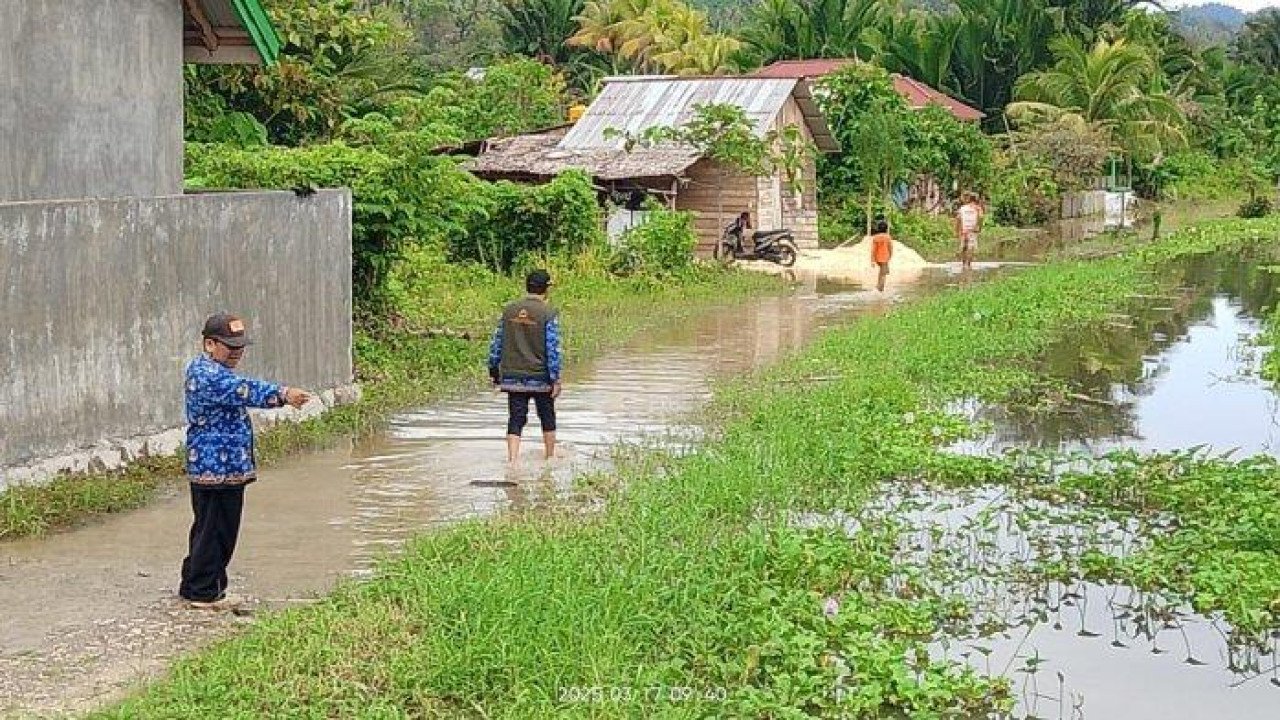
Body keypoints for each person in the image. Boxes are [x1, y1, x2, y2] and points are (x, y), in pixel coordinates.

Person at [180, 313, 310, 610]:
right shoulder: (208, 375)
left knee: (208, 529)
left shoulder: (207, 369)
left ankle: (196, 585)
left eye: (240, 346)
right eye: (230, 346)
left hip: (220, 467)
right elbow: (245, 390)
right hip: (216, 468)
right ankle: (203, 593)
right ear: (209, 344)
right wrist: (284, 394)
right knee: (217, 530)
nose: (237, 352)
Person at [488, 269, 563, 463]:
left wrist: (494, 371)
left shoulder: (509, 310)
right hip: (541, 377)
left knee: (516, 418)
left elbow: (496, 343)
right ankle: (549, 458)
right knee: (547, 416)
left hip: (513, 376)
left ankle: (512, 460)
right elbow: (552, 347)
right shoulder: (548, 313)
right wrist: (555, 378)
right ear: (546, 289)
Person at [954, 191, 985, 271]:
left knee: (964, 247)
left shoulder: (963, 208)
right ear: (976, 200)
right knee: (970, 247)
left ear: (969, 199)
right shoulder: (978, 208)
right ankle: (968, 265)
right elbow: (981, 217)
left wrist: (957, 230)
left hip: (964, 230)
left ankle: (964, 264)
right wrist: (979, 227)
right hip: (972, 230)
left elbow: (958, 219)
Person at [869, 218, 894, 292]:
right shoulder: (888, 237)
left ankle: (878, 287)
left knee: (881, 273)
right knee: (883, 275)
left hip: (877, 258)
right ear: (886, 229)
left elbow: (873, 250)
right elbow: (890, 248)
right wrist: (890, 256)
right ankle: (880, 290)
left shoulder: (875, 238)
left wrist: (872, 260)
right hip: (885, 258)